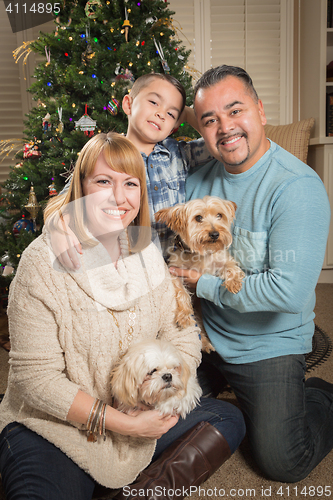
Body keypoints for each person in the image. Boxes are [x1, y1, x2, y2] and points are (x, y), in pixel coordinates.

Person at [0, 132, 245, 500]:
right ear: (81, 187)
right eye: (103, 181)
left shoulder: (145, 250)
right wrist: (122, 423)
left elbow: (181, 332)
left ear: (141, 192)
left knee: (229, 418)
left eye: (130, 183)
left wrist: (161, 403)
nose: (118, 196)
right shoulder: (41, 264)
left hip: (147, 405)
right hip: (55, 427)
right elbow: (36, 379)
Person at [169, 64, 333, 483]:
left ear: (260, 111)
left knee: (283, 460)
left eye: (235, 110)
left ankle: (321, 395)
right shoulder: (197, 179)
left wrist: (198, 282)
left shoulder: (297, 187)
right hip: (206, 334)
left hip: (268, 341)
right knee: (158, 410)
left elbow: (288, 293)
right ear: (202, 131)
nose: (225, 128)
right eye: (210, 120)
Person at [53, 73, 210, 268]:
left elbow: (217, 142)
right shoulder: (107, 153)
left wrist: (186, 113)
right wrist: (61, 228)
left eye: (170, 113)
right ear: (128, 104)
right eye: (154, 102)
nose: (161, 114)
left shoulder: (180, 154)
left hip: (173, 272)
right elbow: (63, 201)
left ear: (173, 127)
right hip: (128, 269)